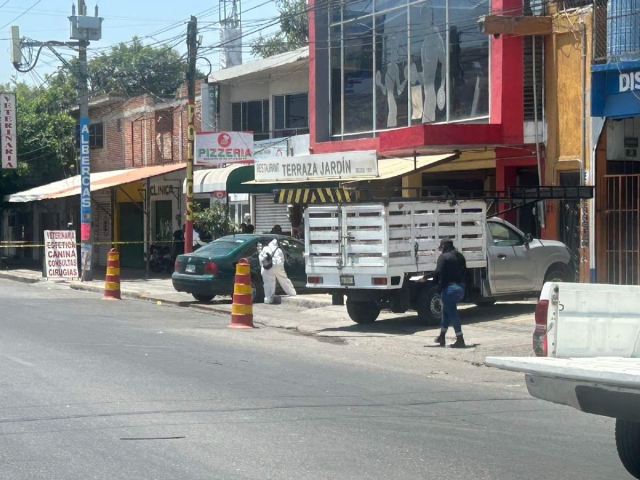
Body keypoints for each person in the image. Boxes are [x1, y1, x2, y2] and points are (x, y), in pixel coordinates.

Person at [430, 239, 467, 348]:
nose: (440, 250)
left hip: (449, 289)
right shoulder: (460, 256)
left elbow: (438, 272)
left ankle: (460, 339)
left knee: (452, 313)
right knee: (445, 312)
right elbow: (465, 272)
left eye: (441, 248)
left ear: (444, 246)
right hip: (460, 287)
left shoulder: (444, 257)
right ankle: (441, 337)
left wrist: (424, 277)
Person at [259, 238, 296, 304]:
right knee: (284, 280)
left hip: (266, 268)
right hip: (277, 267)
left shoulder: (265, 249)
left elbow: (261, 258)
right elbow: (281, 260)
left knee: (268, 284)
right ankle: (292, 293)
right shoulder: (279, 250)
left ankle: (268, 299)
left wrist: (263, 266)